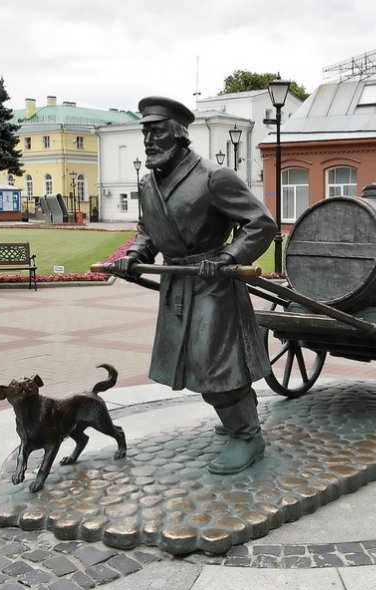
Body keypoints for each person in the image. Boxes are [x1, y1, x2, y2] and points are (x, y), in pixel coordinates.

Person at [111, 96, 277, 475]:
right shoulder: (147, 183)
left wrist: (229, 258)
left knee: (213, 366)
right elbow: (147, 230)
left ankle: (247, 436)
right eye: (145, 133)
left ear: (177, 135)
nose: (148, 141)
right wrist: (135, 254)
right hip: (178, 284)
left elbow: (261, 223)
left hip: (213, 283)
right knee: (195, 365)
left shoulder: (214, 178)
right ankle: (238, 416)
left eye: (155, 133)